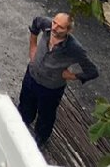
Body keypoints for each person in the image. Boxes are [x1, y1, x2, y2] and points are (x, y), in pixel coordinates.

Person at [18, 14, 98, 147]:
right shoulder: (46, 24)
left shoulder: (74, 48)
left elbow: (92, 71)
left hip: (50, 89)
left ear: (68, 30)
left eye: (60, 27)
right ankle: (21, 123)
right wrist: (33, 46)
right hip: (32, 76)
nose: (54, 28)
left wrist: (71, 76)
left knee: (46, 116)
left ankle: (40, 139)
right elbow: (36, 23)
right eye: (54, 22)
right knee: (25, 104)